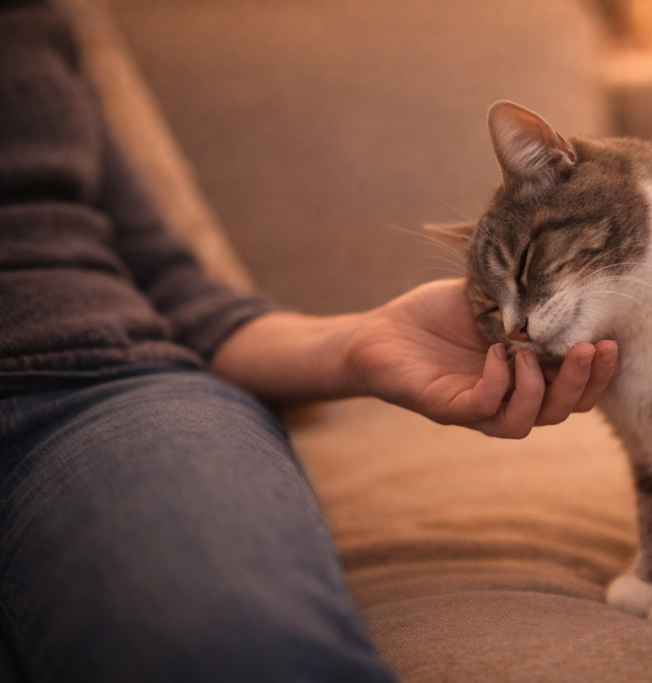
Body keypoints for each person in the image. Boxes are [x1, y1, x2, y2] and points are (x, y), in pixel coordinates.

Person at [0, 2, 618, 681]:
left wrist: (359, 343)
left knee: (245, 652)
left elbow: (179, 293)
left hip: (99, 389)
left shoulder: (32, 22)